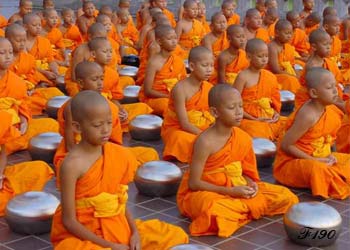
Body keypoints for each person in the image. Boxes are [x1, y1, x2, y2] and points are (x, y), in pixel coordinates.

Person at [50, 90, 188, 250]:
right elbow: (69, 221)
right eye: (97, 125)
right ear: (77, 127)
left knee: (175, 235)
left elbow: (119, 200)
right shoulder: (71, 165)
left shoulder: (115, 154)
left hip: (116, 223)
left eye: (109, 123)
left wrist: (134, 232)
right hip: (85, 234)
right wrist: (109, 245)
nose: (106, 130)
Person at [177, 83, 298, 237]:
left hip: (236, 185)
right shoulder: (205, 141)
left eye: (240, 106)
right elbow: (194, 184)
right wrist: (230, 192)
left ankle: (239, 210)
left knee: (286, 196)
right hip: (207, 191)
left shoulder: (242, 137)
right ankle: (243, 208)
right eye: (232, 107)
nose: (239, 112)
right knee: (213, 210)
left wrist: (251, 184)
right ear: (215, 112)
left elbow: (246, 172)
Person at [53, 61, 158, 180]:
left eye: (102, 79)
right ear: (81, 83)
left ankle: (112, 168)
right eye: (95, 79)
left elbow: (112, 138)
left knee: (149, 153)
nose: (100, 83)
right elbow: (70, 146)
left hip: (104, 149)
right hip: (81, 154)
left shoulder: (104, 103)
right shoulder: (72, 107)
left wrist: (110, 153)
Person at [273, 68, 350, 199]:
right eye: (329, 87)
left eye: (335, 86)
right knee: (318, 169)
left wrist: (331, 156)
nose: (335, 91)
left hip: (320, 156)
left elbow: (329, 139)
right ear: (314, 93)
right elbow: (286, 145)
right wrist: (314, 160)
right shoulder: (308, 115)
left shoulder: (330, 110)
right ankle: (333, 177)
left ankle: (335, 174)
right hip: (294, 162)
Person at [0, 37, 59, 155]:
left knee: (52, 124)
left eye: (10, 52)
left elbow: (22, 105)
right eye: (2, 53)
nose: (8, 56)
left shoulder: (16, 81)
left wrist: (24, 121)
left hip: (15, 127)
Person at [161, 46, 214, 163]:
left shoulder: (209, 88)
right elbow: (184, 124)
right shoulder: (180, 89)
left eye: (211, 65)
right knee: (179, 138)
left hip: (203, 128)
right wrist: (205, 136)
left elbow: (214, 117)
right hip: (180, 130)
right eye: (205, 66)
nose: (209, 70)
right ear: (192, 66)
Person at [0, 110, 54, 216]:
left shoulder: (2, 123)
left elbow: (2, 155)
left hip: (4, 179)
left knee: (40, 168)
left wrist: (0, 175)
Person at [5, 23, 64, 115]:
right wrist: (24, 90)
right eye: (18, 41)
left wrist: (36, 85)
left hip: (30, 90)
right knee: (43, 103)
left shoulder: (28, 58)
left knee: (55, 92)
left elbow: (32, 75)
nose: (22, 44)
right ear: (7, 40)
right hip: (16, 98)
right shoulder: (5, 62)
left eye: (24, 41)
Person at [234, 38, 282, 140]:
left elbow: (275, 100)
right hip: (248, 118)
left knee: (289, 124)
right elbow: (234, 104)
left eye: (266, 56)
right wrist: (254, 119)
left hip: (267, 116)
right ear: (249, 57)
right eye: (260, 56)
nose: (264, 59)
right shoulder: (242, 77)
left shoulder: (270, 76)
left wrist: (276, 114)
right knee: (255, 131)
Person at [139, 25, 187, 115]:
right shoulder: (153, 62)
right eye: (169, 39)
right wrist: (169, 96)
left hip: (174, 95)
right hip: (156, 98)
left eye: (175, 38)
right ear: (159, 41)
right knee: (167, 105)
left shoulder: (178, 60)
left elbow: (183, 82)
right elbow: (148, 91)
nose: (174, 42)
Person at [23, 13, 60, 85]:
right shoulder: (22, 43)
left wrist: (55, 71)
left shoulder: (44, 41)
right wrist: (45, 73)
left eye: (39, 25)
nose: (38, 27)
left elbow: (51, 60)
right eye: (34, 25)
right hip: (33, 72)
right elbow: (28, 66)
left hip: (46, 69)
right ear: (25, 27)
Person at [268, 19, 301, 93]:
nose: (289, 36)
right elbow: (275, 69)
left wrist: (296, 74)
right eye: (286, 33)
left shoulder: (288, 47)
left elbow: (292, 64)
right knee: (290, 80)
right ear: (276, 33)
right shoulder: (272, 47)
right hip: (274, 75)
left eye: (291, 33)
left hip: (286, 73)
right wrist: (292, 76)